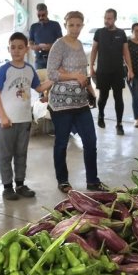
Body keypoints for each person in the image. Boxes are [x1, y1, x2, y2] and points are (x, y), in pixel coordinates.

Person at [0, 32, 52, 201]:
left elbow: (38, 88)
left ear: (26, 49)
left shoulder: (29, 69)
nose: (16, 51)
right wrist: (2, 116)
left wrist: (54, 79)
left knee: (21, 154)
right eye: (13, 47)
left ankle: (20, 184)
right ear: (8, 49)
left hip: (24, 120)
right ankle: (7, 187)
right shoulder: (4, 70)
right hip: (6, 122)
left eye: (20, 47)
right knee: (5, 155)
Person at [47, 11, 104, 193]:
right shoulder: (59, 45)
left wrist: (90, 89)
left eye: (78, 25)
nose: (75, 29)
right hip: (61, 103)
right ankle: (63, 180)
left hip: (80, 103)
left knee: (90, 141)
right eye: (71, 25)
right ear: (65, 25)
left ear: (82, 25)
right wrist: (74, 75)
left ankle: (92, 181)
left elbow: (83, 73)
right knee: (62, 143)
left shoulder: (80, 44)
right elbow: (51, 73)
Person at [90, 8, 133, 135]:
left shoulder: (121, 33)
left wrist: (130, 69)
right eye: (105, 18)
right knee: (103, 97)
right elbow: (94, 50)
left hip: (118, 71)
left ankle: (119, 124)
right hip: (103, 71)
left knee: (118, 98)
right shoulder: (99, 33)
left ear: (114, 19)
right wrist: (91, 66)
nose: (106, 20)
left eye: (109, 18)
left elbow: (126, 52)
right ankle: (101, 115)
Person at [28, 3, 62, 71]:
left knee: (54, 80)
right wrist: (38, 47)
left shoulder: (55, 25)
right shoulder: (33, 27)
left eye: (43, 15)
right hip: (39, 60)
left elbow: (61, 42)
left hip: (54, 59)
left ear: (47, 13)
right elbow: (30, 44)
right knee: (40, 79)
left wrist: (50, 46)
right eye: (39, 15)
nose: (41, 17)